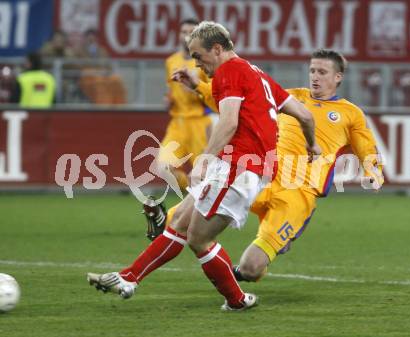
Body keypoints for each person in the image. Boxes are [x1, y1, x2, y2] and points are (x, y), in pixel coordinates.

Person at [87, 21, 320, 311]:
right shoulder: (256, 72)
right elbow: (305, 116)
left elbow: (229, 120)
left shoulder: (229, 71)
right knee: (180, 222)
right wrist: (312, 144)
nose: (196, 63)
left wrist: (205, 160)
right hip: (244, 166)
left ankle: (234, 300)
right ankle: (129, 277)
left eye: (198, 56)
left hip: (239, 168)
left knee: (198, 238)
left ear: (218, 49)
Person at [138, 49, 385, 284]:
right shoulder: (292, 97)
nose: (315, 77)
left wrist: (373, 171)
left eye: (322, 72)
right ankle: (166, 220)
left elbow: (366, 147)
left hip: (298, 193)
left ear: (338, 77)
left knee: (251, 269)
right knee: (192, 212)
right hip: (263, 176)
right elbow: (234, 104)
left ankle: (243, 270)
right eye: (312, 71)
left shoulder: (350, 113)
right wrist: (198, 87)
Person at [158, 18, 215, 190]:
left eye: (191, 32)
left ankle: (202, 200)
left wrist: (197, 89)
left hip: (199, 122)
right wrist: (169, 99)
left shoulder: (205, 62)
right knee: (163, 167)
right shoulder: (171, 62)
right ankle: (191, 192)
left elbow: (214, 95)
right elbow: (172, 90)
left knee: (205, 174)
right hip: (177, 123)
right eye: (184, 32)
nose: (186, 36)